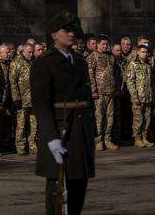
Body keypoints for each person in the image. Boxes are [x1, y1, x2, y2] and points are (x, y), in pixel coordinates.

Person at [31, 12, 95, 215]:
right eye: (66, 30)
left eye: (73, 29)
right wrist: (51, 138)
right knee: (57, 186)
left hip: (79, 129)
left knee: (79, 182)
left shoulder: (79, 60)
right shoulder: (44, 63)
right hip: (60, 130)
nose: (71, 33)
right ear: (54, 35)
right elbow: (41, 105)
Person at [86, 36, 118, 151]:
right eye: (103, 44)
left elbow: (114, 73)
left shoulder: (110, 56)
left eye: (106, 44)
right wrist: (93, 91)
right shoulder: (92, 57)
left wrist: (115, 88)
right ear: (98, 44)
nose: (105, 46)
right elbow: (90, 75)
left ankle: (107, 140)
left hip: (110, 92)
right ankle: (98, 141)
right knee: (99, 118)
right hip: (99, 93)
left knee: (110, 118)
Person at [10, 42, 38, 155]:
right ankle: (20, 146)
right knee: (21, 125)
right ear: (23, 52)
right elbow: (13, 82)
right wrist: (16, 98)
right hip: (22, 99)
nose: (31, 54)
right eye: (29, 52)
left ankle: (32, 144)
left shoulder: (34, 62)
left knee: (34, 124)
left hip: (33, 99)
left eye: (32, 52)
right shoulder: (16, 63)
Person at [124, 44, 154, 148]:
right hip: (138, 97)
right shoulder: (133, 64)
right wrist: (134, 97)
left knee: (147, 119)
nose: (144, 54)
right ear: (138, 52)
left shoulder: (147, 65)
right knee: (138, 119)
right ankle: (137, 138)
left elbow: (150, 82)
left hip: (147, 97)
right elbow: (130, 82)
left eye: (146, 52)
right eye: (142, 52)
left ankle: (144, 137)